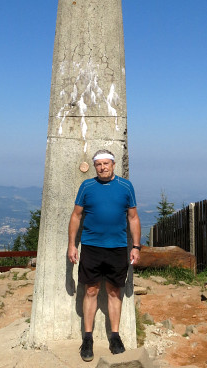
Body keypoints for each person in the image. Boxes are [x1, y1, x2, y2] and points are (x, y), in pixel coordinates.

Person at [68, 149, 141, 362]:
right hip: (91, 247)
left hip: (117, 248)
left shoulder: (126, 186)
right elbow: (76, 216)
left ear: (113, 165)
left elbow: (133, 218)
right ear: (94, 167)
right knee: (91, 290)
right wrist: (72, 245)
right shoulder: (86, 186)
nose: (102, 167)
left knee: (114, 291)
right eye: (98, 164)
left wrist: (136, 247)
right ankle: (87, 338)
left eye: (106, 163)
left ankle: (115, 337)